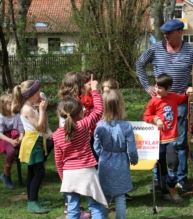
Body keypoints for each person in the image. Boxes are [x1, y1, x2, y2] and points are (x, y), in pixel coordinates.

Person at [136, 19, 193, 191]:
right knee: (157, 143)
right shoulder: (155, 48)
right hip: (159, 103)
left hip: (179, 102)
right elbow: (139, 64)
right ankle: (159, 180)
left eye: (169, 33)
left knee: (181, 142)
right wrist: (147, 86)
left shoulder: (191, 51)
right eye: (164, 33)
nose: (166, 36)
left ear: (180, 33)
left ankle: (181, 179)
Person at [53, 75, 108, 219]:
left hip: (69, 174)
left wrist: (62, 177)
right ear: (81, 113)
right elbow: (98, 111)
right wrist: (95, 90)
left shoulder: (57, 135)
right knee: (95, 206)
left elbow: (58, 160)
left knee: (72, 210)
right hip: (87, 171)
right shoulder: (83, 126)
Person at [143, 73, 192, 202]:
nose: (156, 90)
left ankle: (171, 185)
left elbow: (184, 98)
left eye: (160, 88)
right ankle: (165, 191)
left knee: (174, 163)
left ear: (168, 88)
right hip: (158, 140)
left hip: (172, 139)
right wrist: (156, 118)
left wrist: (189, 91)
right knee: (161, 166)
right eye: (155, 86)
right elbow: (146, 116)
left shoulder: (174, 97)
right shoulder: (153, 100)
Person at [94, 89, 138, 218]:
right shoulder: (126, 126)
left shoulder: (100, 126)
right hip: (121, 164)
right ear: (120, 105)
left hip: (104, 163)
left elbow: (96, 147)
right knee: (120, 197)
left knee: (105, 197)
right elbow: (131, 149)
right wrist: (134, 160)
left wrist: (102, 155)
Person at [11, 80, 50, 213]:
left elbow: (41, 125)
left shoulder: (31, 106)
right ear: (30, 95)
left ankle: (33, 199)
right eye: (38, 94)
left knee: (32, 173)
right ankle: (32, 202)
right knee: (39, 172)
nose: (40, 96)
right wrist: (42, 110)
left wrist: (39, 109)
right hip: (32, 144)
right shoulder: (28, 109)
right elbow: (38, 126)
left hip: (36, 142)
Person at [58, 71, 91, 218]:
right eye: (83, 83)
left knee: (70, 183)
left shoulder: (66, 100)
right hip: (72, 141)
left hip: (68, 139)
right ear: (78, 85)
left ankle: (73, 209)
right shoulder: (72, 103)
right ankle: (73, 208)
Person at [0, 93, 24, 189]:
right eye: (10, 104)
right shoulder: (1, 117)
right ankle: (6, 175)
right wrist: (11, 141)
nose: (13, 105)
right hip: (4, 138)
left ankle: (36, 173)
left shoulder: (16, 115)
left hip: (15, 136)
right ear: (4, 106)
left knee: (30, 145)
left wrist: (21, 138)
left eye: (13, 103)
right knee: (11, 151)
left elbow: (21, 129)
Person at [81, 70, 99, 161]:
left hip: (95, 133)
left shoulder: (96, 96)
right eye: (89, 84)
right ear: (83, 84)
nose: (92, 86)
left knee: (96, 156)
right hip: (84, 133)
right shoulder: (80, 97)